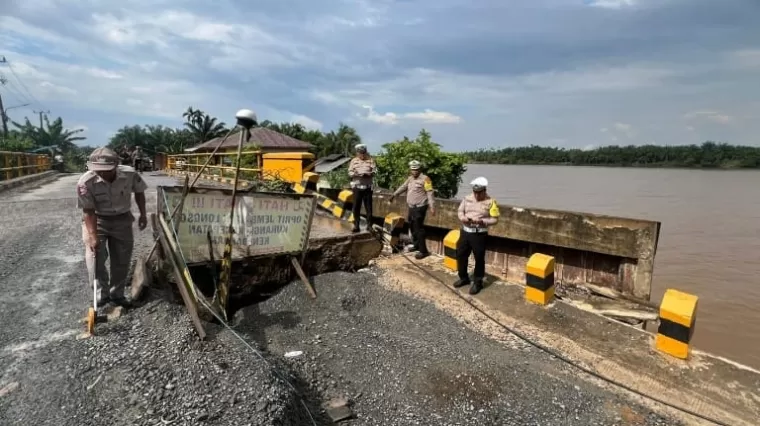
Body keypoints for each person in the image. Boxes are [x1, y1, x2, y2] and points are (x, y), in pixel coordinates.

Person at [77, 147, 148, 308]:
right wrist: (93, 237)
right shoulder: (85, 182)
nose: (101, 173)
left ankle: (117, 295)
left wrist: (143, 214)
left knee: (122, 260)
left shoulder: (130, 174)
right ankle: (101, 295)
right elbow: (88, 211)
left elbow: (139, 192)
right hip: (97, 220)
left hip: (122, 219)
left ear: (116, 165)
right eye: (98, 170)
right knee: (95, 260)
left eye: (106, 170)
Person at [453, 177, 500, 295]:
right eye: (475, 192)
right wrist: (463, 218)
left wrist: (484, 222)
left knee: (479, 258)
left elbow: (495, 220)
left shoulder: (491, 202)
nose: (477, 195)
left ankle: (478, 282)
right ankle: (463, 277)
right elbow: (460, 211)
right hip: (465, 232)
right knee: (461, 255)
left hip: (479, 234)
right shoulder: (467, 198)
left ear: (485, 190)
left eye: (479, 193)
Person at [389, 160, 435, 259]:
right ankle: (416, 245)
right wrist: (394, 194)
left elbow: (430, 193)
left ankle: (423, 251)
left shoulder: (426, 179)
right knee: (412, 226)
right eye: (412, 170)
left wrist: (432, 206)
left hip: (420, 207)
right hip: (411, 206)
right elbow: (403, 187)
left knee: (419, 228)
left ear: (419, 169)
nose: (414, 171)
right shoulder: (410, 179)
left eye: (416, 170)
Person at [347, 144, 376, 232]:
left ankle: (369, 226)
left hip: (367, 188)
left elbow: (375, 171)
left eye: (363, 153)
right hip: (357, 187)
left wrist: (369, 174)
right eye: (360, 153)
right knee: (356, 207)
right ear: (357, 153)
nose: (362, 155)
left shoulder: (371, 160)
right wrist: (355, 174)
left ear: (365, 152)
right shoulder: (353, 161)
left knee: (369, 208)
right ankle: (356, 226)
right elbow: (349, 172)